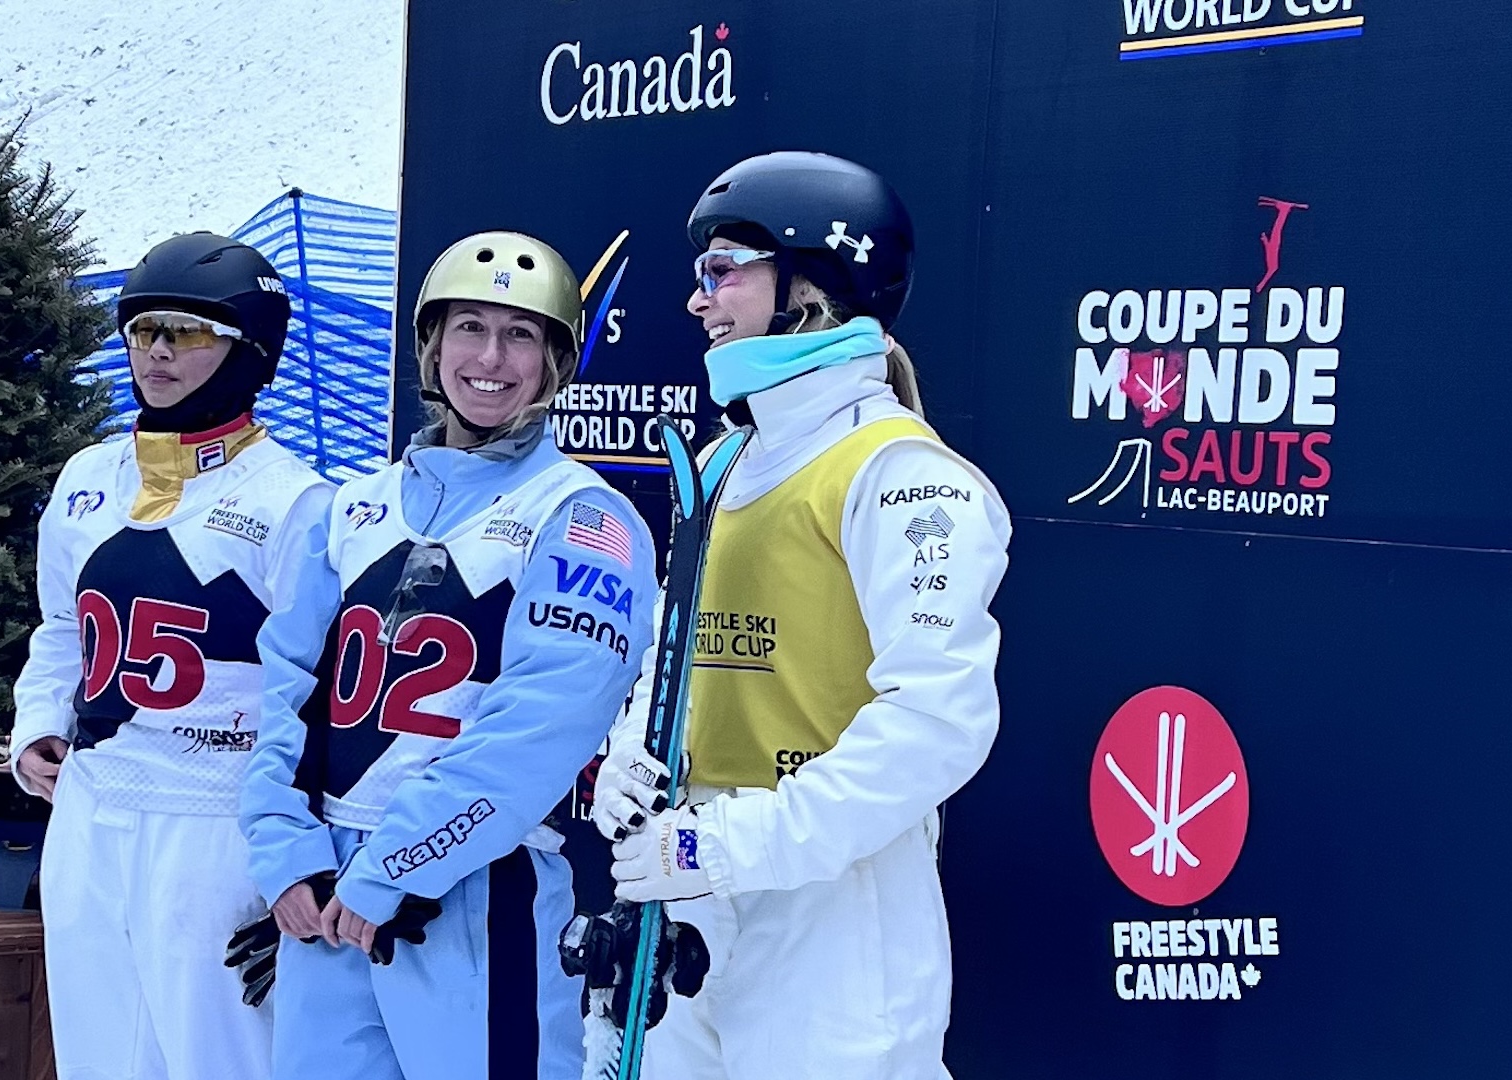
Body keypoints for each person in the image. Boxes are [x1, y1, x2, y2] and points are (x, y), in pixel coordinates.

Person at [590, 151, 1012, 1080]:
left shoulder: (902, 475)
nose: (699, 301)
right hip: (690, 874)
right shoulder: (731, 460)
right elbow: (678, 652)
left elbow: (934, 725)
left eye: (723, 269)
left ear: (815, 281)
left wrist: (729, 842)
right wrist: (630, 759)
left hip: (836, 896)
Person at [239, 231, 657, 1080]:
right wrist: (283, 852)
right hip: (327, 889)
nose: (491, 358)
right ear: (432, 348)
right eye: (469, 327)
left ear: (554, 362)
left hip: (475, 892)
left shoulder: (583, 518)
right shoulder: (353, 507)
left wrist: (395, 865)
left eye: (521, 335)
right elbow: (287, 690)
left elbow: (538, 732)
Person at [9, 231, 334, 1080]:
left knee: (214, 1058)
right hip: (89, 808)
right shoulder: (87, 477)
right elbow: (57, 630)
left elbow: (322, 697)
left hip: (212, 817)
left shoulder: (297, 503)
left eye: (188, 332)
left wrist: (301, 856)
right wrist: (37, 727)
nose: (157, 350)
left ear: (248, 353)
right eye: (143, 328)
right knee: (98, 1050)